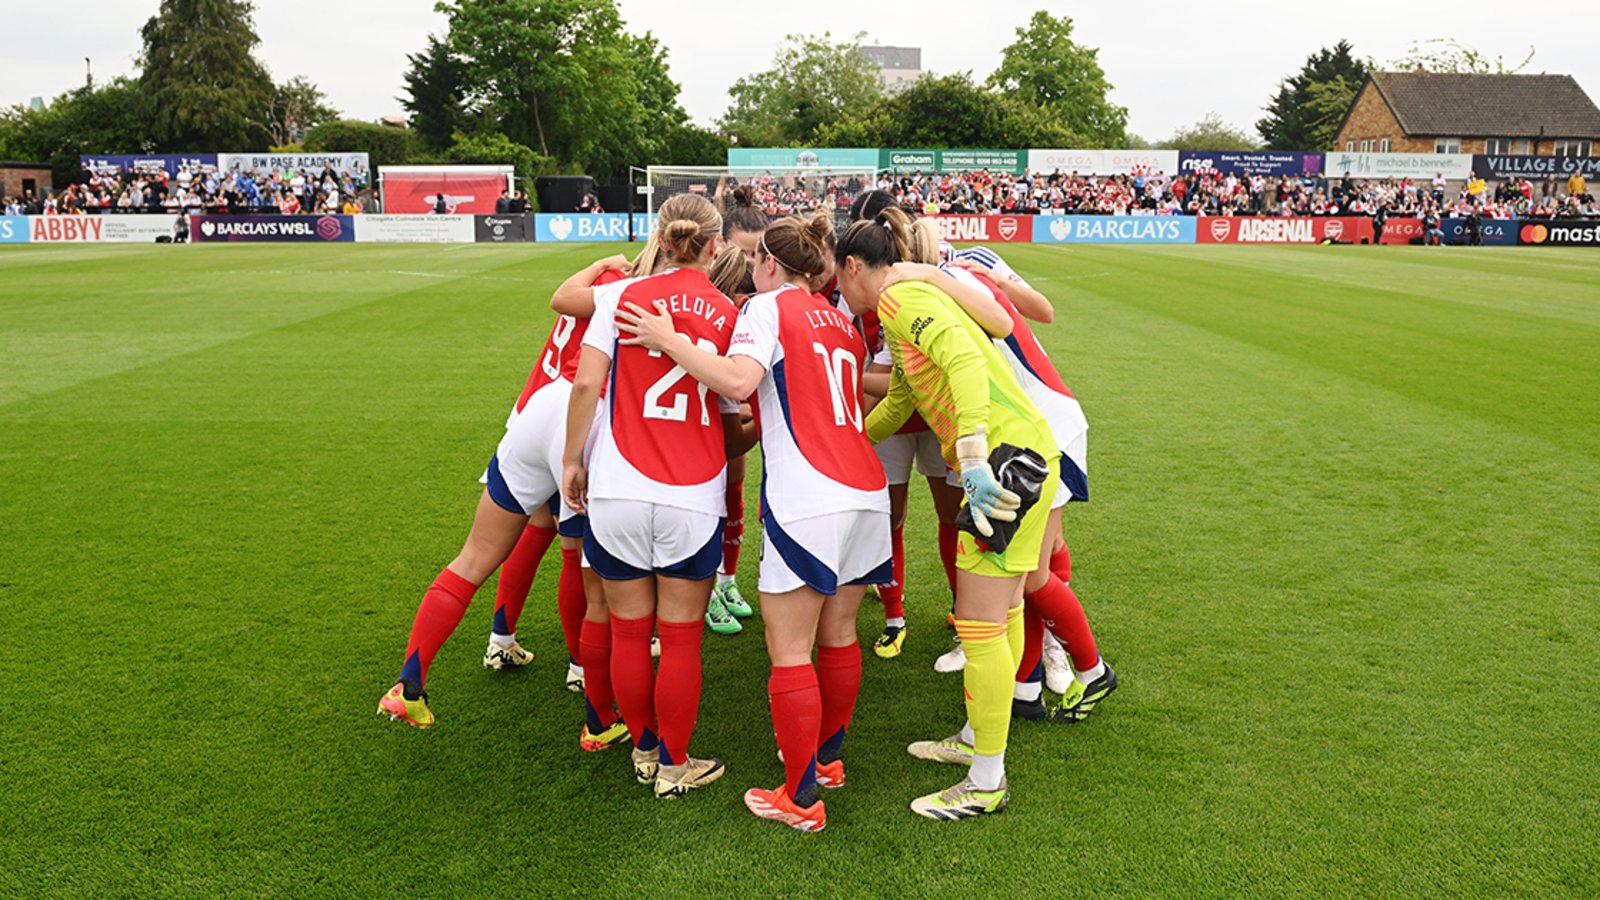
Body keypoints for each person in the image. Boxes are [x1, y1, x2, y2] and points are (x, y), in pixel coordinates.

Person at [615, 211, 890, 831]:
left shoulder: (766, 309)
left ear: (767, 263)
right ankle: (828, 760)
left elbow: (740, 381)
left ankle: (800, 798)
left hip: (809, 493)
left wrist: (670, 342)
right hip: (864, 487)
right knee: (839, 633)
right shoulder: (838, 318)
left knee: (789, 650)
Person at [836, 207, 1058, 820]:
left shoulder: (897, 298)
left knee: (980, 622)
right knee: (1005, 608)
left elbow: (961, 359)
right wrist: (849, 439)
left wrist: (973, 454)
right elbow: (907, 392)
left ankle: (987, 781)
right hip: (1027, 450)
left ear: (855, 267)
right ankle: (977, 740)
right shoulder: (908, 298)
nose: (840, 294)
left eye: (839, 279)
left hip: (1007, 462)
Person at [375, 249, 642, 731]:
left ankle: (408, 683)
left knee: (474, 556)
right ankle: (596, 713)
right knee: (586, 576)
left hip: (538, 407)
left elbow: (561, 298)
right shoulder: (651, 294)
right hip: (585, 423)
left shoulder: (606, 282)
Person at [561, 193, 743, 798]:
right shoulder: (728, 314)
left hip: (617, 485)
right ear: (716, 246)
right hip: (694, 491)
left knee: (630, 630)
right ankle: (674, 764)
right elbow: (732, 406)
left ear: (659, 238)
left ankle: (641, 747)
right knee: (683, 634)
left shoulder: (618, 296)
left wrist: (571, 459)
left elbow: (587, 382)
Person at [702, 185, 770, 635]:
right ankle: (707, 588)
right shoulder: (711, 294)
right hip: (702, 410)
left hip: (732, 395)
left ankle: (727, 580)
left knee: (734, 486)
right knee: (709, 495)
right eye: (743, 253)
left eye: (756, 255)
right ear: (721, 244)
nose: (750, 264)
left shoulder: (755, 301)